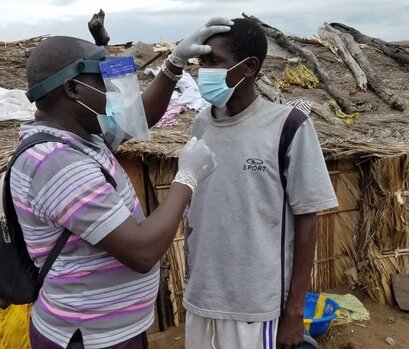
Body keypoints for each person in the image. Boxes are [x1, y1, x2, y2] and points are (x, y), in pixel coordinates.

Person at [9, 18, 231, 349]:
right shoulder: (57, 163)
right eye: (102, 80)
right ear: (73, 89)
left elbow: (137, 118)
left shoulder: (81, 136)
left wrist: (173, 65)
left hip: (106, 329)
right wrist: (186, 178)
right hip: (88, 338)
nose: (112, 91)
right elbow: (142, 251)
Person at [184, 18, 339, 349]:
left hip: (256, 308)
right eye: (201, 62)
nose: (204, 72)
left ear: (249, 67)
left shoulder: (288, 127)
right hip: (201, 299)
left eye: (214, 62)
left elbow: (307, 220)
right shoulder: (200, 125)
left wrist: (294, 310)